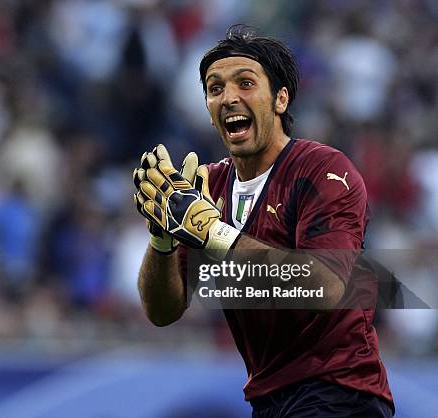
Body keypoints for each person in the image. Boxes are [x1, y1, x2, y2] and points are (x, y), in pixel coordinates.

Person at [133, 25, 394, 417]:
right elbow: (162, 312)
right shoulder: (209, 185)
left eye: (245, 83)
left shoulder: (323, 170)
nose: (228, 97)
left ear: (280, 99)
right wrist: (162, 238)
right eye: (215, 88)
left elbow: (325, 288)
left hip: (340, 391)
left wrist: (213, 233)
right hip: (269, 398)